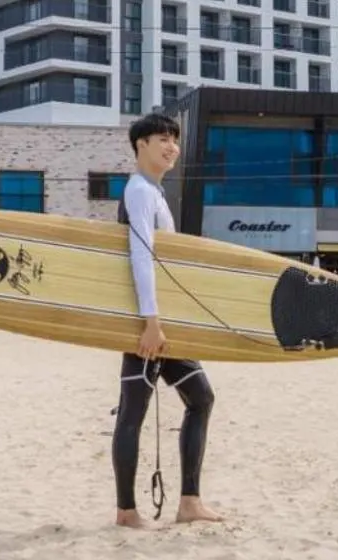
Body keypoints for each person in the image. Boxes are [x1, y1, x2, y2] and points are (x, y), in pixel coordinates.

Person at [112, 112, 221, 529]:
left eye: (175, 140)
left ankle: (189, 502)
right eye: (163, 138)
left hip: (163, 323)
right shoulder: (139, 191)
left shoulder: (154, 193)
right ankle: (126, 511)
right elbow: (142, 257)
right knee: (132, 414)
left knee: (201, 398)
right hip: (148, 325)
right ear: (141, 144)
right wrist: (151, 322)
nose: (172, 147)